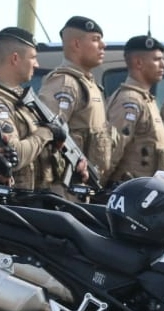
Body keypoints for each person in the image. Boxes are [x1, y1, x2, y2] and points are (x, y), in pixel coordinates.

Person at [37, 16, 114, 195]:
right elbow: (47, 135)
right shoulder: (65, 83)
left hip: (83, 188)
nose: (103, 45)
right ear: (76, 44)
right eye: (95, 40)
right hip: (65, 191)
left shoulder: (90, 84)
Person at [0, 26, 54, 191]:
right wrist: (46, 133)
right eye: (33, 58)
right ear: (15, 58)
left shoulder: (21, 100)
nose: (37, 64)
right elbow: (14, 155)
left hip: (34, 197)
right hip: (14, 201)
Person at [106, 34, 164, 184]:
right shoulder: (130, 100)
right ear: (139, 62)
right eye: (157, 59)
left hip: (147, 192)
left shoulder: (145, 99)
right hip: (131, 191)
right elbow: (111, 151)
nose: (163, 64)